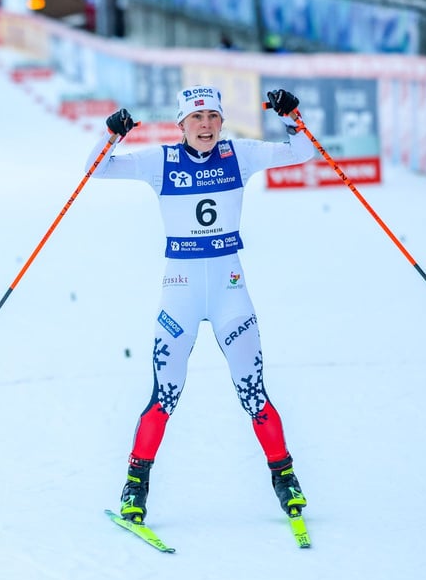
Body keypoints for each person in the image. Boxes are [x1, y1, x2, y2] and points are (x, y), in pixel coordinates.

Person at [86, 86, 315, 525]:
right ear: (181, 125)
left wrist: (291, 117)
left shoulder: (240, 155)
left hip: (231, 293)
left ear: (222, 122)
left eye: (212, 116)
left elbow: (302, 152)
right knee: (164, 396)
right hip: (181, 294)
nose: (205, 125)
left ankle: (285, 478)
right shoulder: (161, 163)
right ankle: (135, 487)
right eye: (196, 118)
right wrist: (112, 135)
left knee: (254, 393)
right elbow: (95, 170)